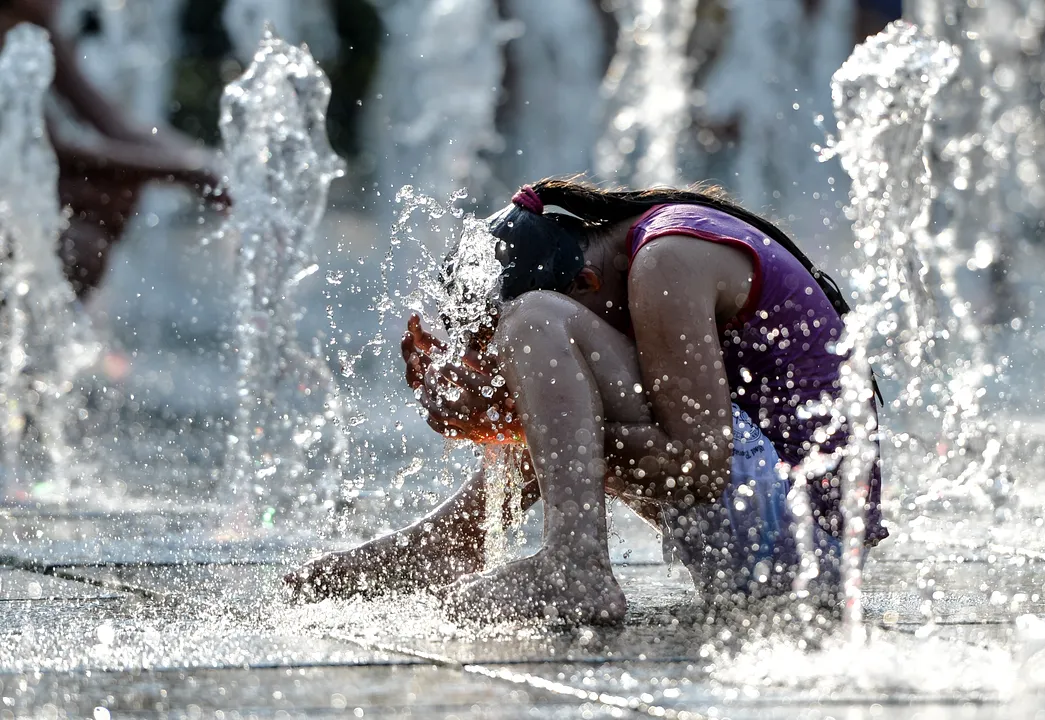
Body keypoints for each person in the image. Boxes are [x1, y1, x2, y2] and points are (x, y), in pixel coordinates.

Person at [285, 179, 887, 624]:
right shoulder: (645, 260)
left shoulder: (667, 257)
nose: (517, 371)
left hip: (804, 547)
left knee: (532, 321)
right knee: (557, 398)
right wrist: (330, 579)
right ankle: (509, 554)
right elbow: (490, 512)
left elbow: (700, 465)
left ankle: (576, 566)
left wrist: (529, 412)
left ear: (585, 284)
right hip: (792, 552)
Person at [0, 0, 227, 298]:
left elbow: (116, 125)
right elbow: (59, 150)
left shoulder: (35, 30)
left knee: (114, 192)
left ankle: (42, 318)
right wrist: (188, 173)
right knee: (83, 242)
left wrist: (211, 164)